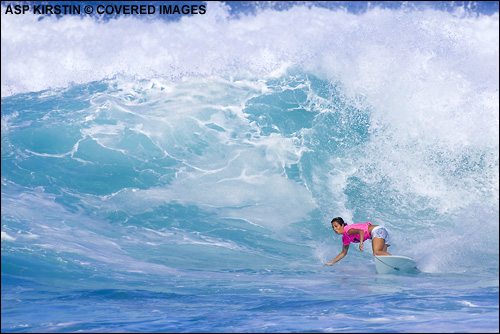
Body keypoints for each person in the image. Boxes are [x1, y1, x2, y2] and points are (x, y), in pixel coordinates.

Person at [324, 217, 391, 266]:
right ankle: (393, 266)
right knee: (382, 257)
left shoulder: (347, 230)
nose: (334, 229)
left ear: (342, 225)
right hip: (381, 232)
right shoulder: (345, 238)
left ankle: (398, 263)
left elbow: (360, 231)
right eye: (333, 227)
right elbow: (343, 253)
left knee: (376, 252)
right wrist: (332, 262)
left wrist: (361, 243)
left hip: (377, 231)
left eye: (336, 226)